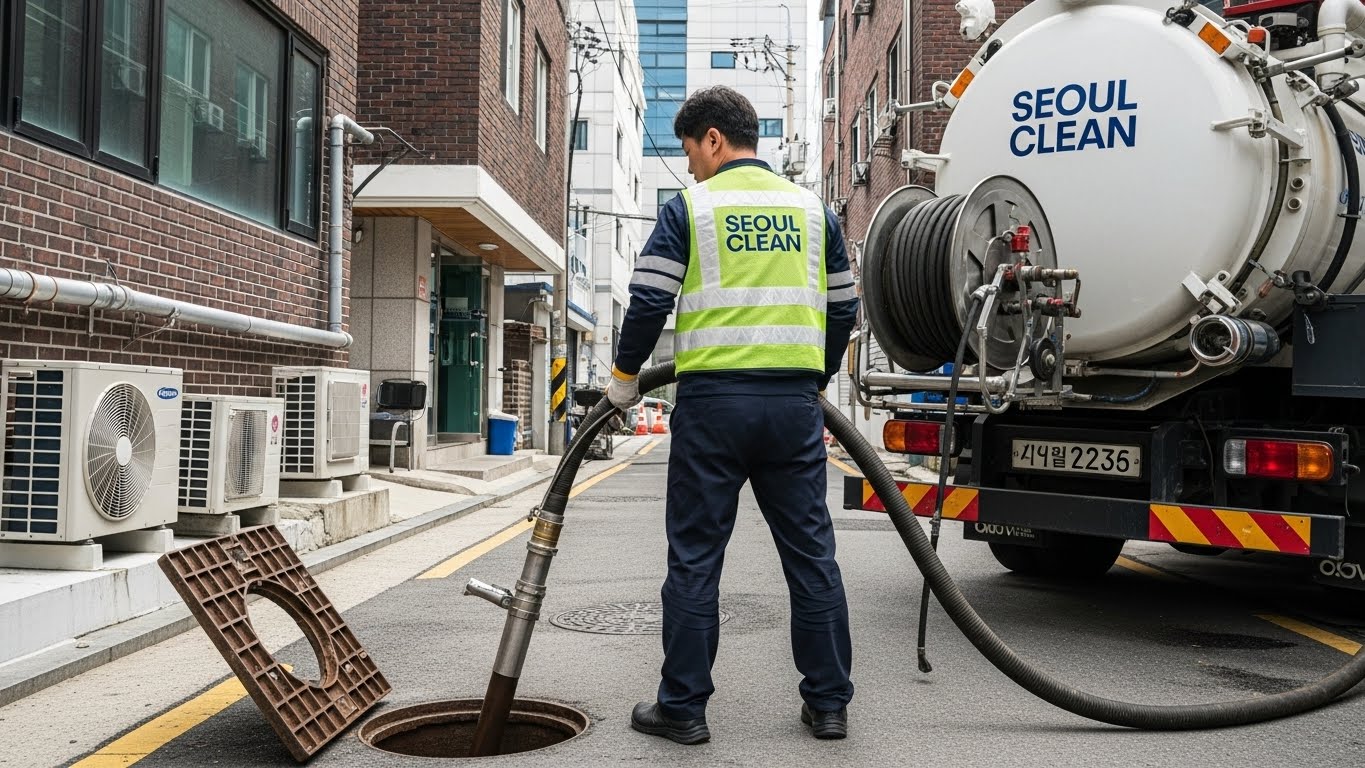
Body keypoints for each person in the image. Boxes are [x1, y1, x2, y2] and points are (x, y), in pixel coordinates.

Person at [606, 86, 860, 744]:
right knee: (811, 558)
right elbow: (842, 310)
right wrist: (815, 375)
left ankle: (683, 709)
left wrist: (624, 380)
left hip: (713, 404)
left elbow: (646, 303)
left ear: (713, 138)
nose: (689, 165)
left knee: (694, 559)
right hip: (792, 406)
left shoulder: (690, 208)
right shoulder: (813, 212)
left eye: (689, 150)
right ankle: (828, 704)